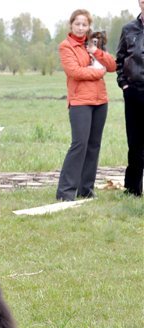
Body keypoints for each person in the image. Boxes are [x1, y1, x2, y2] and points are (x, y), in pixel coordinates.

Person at [55, 9, 116, 201]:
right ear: (71, 25)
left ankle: (86, 190)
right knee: (79, 145)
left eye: (84, 24)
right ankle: (65, 192)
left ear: (89, 26)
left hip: (100, 101)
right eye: (77, 24)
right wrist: (98, 72)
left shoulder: (94, 44)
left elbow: (113, 66)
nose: (81, 28)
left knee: (93, 146)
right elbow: (75, 72)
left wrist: (96, 52)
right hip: (80, 102)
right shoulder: (66, 47)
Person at [116, 0, 144, 197]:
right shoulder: (128, 29)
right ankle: (133, 188)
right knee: (134, 142)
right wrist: (124, 85)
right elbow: (119, 59)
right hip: (133, 92)